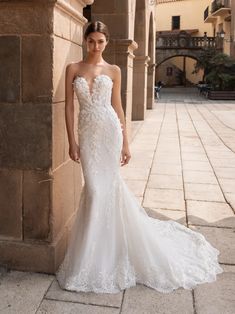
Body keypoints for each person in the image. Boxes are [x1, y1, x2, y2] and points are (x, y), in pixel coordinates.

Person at [55, 21, 223, 294]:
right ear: (84, 41)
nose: (95, 46)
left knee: (103, 191)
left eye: (100, 41)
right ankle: (95, 252)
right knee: (96, 191)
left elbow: (118, 107)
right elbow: (69, 109)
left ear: (106, 42)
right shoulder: (73, 68)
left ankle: (105, 252)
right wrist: (72, 141)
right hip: (87, 136)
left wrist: (126, 143)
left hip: (109, 133)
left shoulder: (114, 70)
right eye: (91, 41)